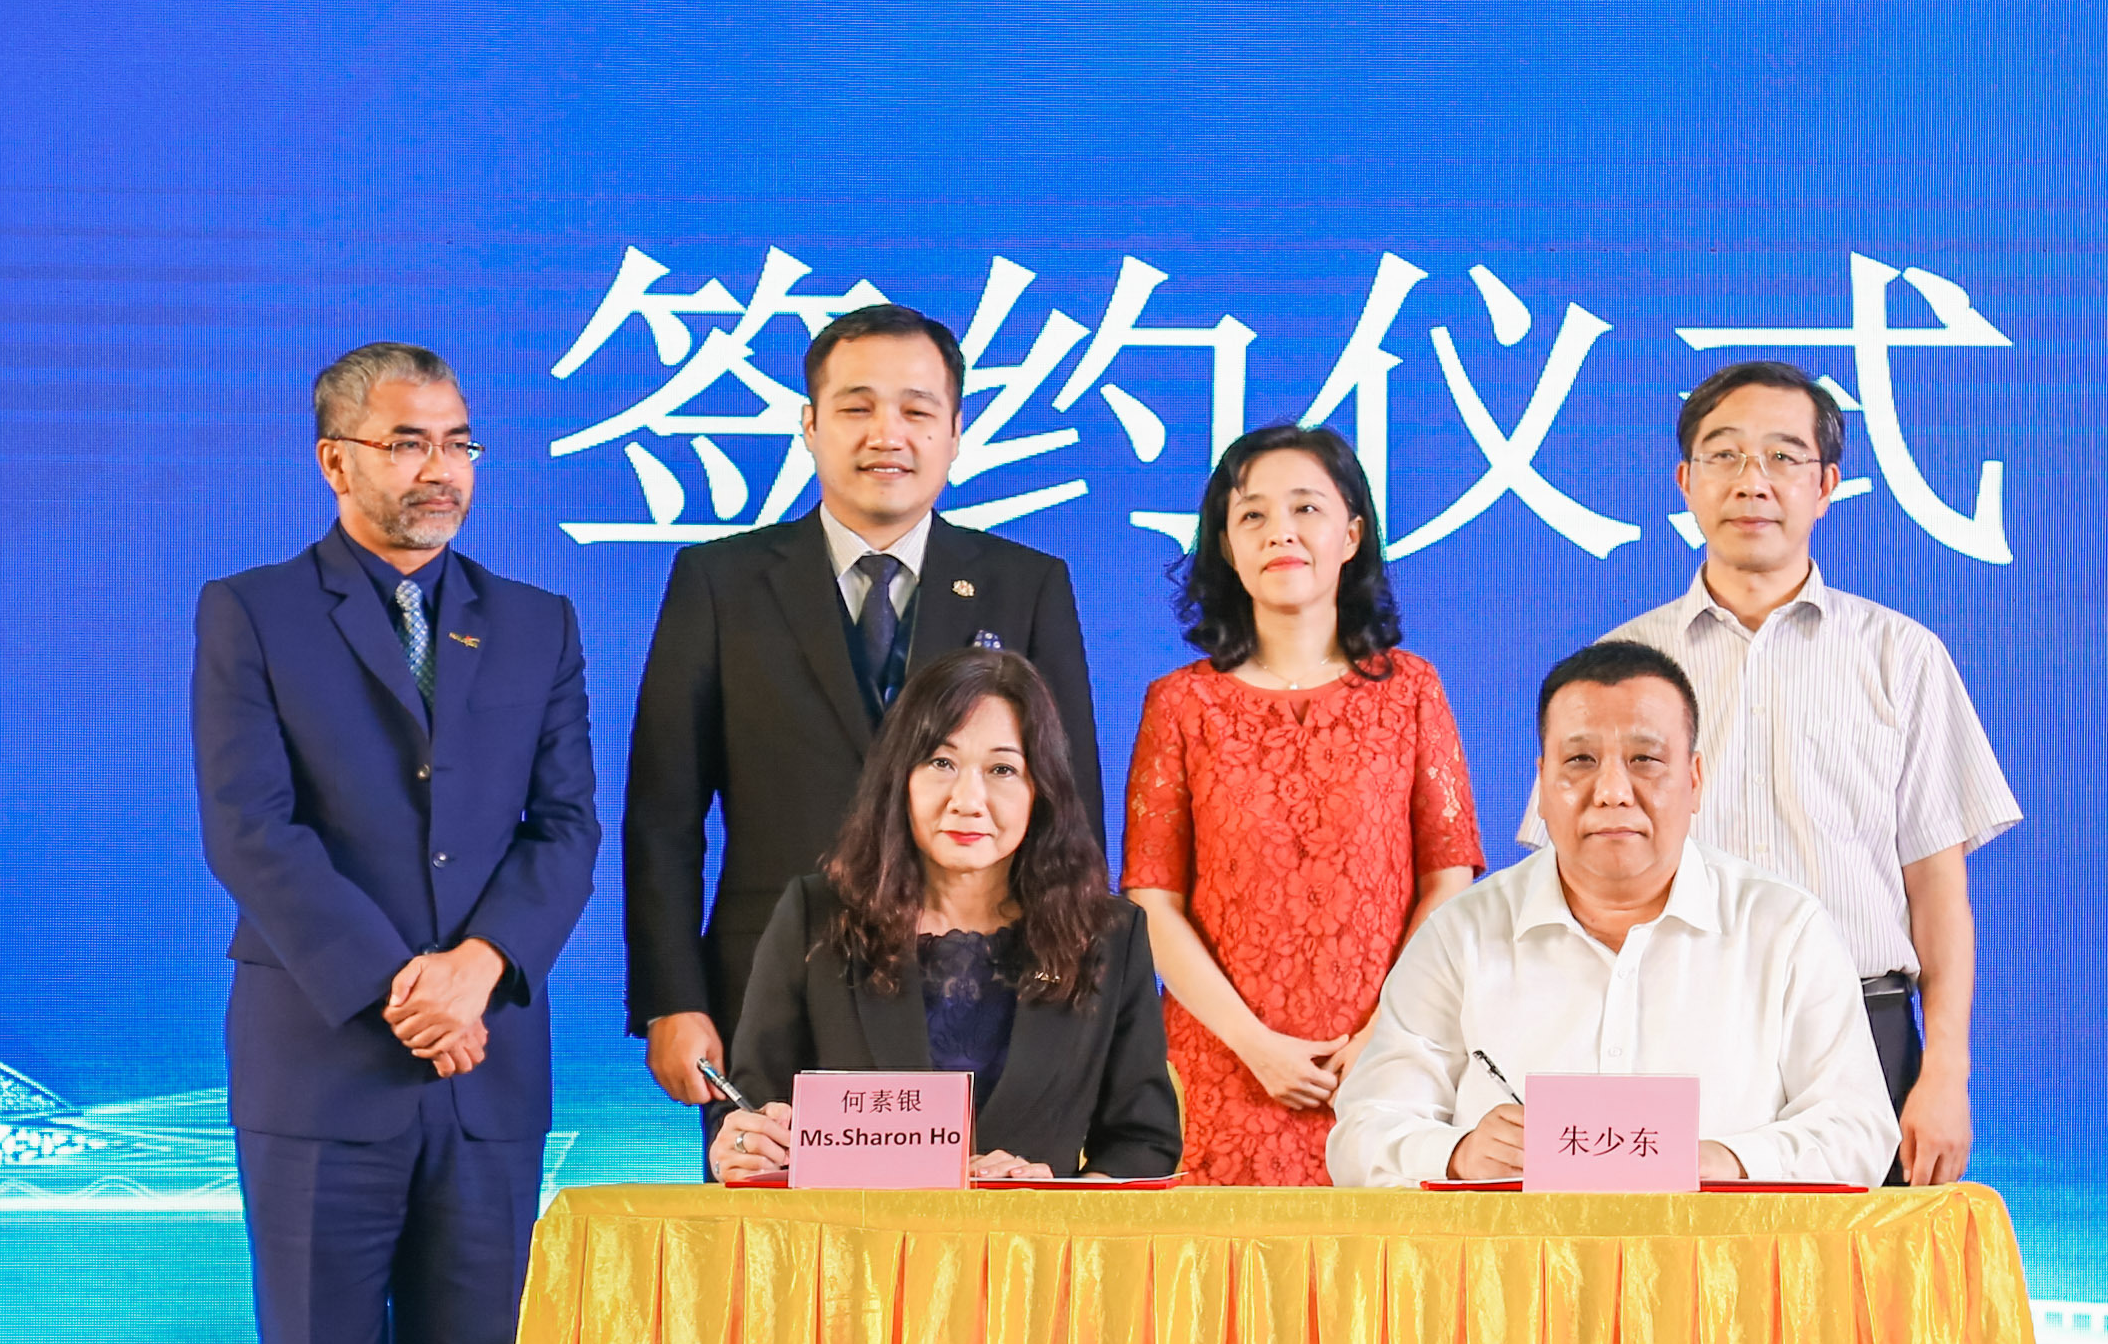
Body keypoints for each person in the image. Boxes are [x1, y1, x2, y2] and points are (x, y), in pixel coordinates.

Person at [192, 342, 598, 1344]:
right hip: (321, 1054)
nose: (440, 469)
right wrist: (395, 986)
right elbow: (253, 831)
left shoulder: (535, 622)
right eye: (407, 441)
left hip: (486, 1059)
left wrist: (479, 968)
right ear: (336, 460)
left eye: (459, 442)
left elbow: (565, 829)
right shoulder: (251, 613)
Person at [624, 303, 1104, 1159]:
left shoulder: (1025, 585)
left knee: (977, 1240)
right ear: (810, 424)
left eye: (918, 410)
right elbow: (663, 815)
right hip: (772, 996)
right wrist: (671, 998)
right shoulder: (720, 582)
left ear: (955, 432)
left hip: (984, 999)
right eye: (857, 407)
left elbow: (1070, 812)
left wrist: (1072, 999)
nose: (888, 434)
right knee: (779, 1239)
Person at [1527, 360, 2018, 1184]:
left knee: (1850, 1268)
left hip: (1859, 1029)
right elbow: (1561, 880)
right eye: (1724, 454)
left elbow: (1938, 892)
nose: (1751, 480)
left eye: (1783, 457)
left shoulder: (1900, 657)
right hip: (1657, 1030)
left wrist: (1946, 1072)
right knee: (1664, 1265)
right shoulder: (1619, 666)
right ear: (1686, 482)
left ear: (1825, 486)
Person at [1329, 641, 1892, 1189]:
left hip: (1720, 1253)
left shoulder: (1785, 929)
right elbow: (1361, 1132)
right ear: (1542, 784)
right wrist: (1456, 1154)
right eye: (1581, 761)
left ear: (1695, 780)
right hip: (1521, 1254)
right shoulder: (1460, 936)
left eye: (1645, 760)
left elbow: (1860, 1130)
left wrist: (1732, 1162)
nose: (1613, 792)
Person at [1122, 425, 1481, 1185]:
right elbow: (1152, 900)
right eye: (1252, 514)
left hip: (1387, 1060)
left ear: (1351, 534)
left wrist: (1385, 1031)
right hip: (1224, 1066)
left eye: (1306, 508)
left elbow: (1448, 881)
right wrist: (1256, 1046)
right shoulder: (1180, 704)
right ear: (1226, 545)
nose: (1280, 531)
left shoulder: (1411, 690)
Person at [710, 649, 1178, 1182]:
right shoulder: (815, 917)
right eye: (941, 763)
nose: (968, 800)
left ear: (1042, 790)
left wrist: (1054, 1199)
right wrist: (740, 1144)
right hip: (856, 1233)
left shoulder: (1108, 935)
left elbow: (1143, 1139)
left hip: (1032, 1235)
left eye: (1002, 769)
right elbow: (751, 1110)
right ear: (900, 778)